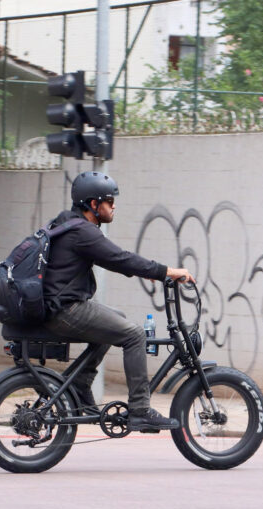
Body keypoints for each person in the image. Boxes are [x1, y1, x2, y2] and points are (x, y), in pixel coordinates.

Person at [42, 171, 195, 431]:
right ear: (93, 204)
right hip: (64, 310)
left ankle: (79, 384)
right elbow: (120, 258)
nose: (114, 207)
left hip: (56, 307)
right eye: (109, 202)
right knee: (134, 334)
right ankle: (140, 410)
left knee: (117, 320)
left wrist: (148, 272)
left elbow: (114, 259)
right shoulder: (83, 232)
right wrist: (167, 271)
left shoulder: (67, 224)